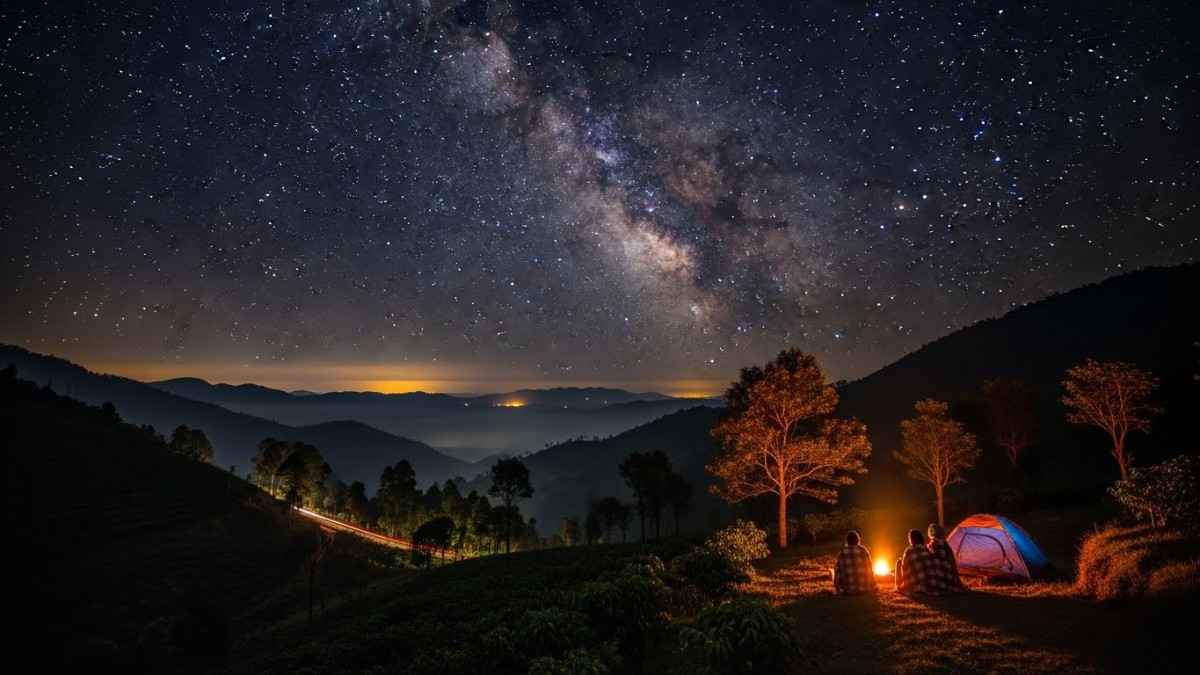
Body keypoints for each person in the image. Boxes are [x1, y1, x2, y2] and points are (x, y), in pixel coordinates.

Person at [895, 528, 952, 595]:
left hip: (917, 584)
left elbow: (904, 568)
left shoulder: (909, 550)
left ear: (911, 540)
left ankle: (898, 586)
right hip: (932, 583)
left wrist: (905, 582)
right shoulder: (927, 549)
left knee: (899, 562)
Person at [832, 530, 877, 594]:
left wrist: (838, 588)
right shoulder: (864, 551)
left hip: (848, 590)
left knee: (833, 570)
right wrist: (873, 585)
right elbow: (870, 570)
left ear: (847, 541)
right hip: (865, 588)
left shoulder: (842, 552)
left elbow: (837, 572)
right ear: (858, 540)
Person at [926, 523, 966, 590]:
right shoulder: (945, 545)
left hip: (936, 580)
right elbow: (952, 563)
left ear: (930, 534)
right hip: (949, 579)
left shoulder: (930, 546)